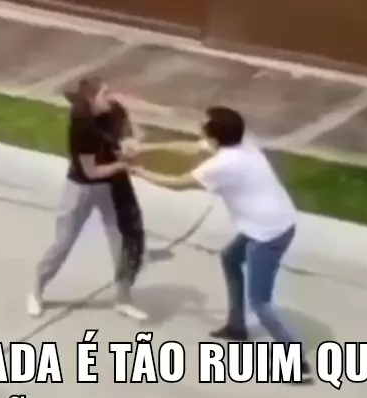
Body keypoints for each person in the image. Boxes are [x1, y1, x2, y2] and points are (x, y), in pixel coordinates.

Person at [131, 106, 313, 380]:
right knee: (230, 258)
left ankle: (296, 361)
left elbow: (178, 183)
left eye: (204, 126)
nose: (199, 127)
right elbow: (191, 148)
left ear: (216, 137)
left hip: (269, 233)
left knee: (260, 302)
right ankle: (236, 326)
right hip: (268, 222)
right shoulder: (242, 143)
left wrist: (138, 171)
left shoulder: (223, 165)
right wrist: (147, 148)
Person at [27, 76, 147, 320]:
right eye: (104, 93)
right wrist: (123, 165)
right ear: (91, 99)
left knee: (124, 241)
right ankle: (37, 288)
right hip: (83, 186)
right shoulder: (83, 127)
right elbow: (91, 172)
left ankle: (123, 298)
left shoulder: (114, 110)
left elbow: (134, 131)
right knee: (64, 241)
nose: (110, 97)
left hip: (114, 186)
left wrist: (132, 141)